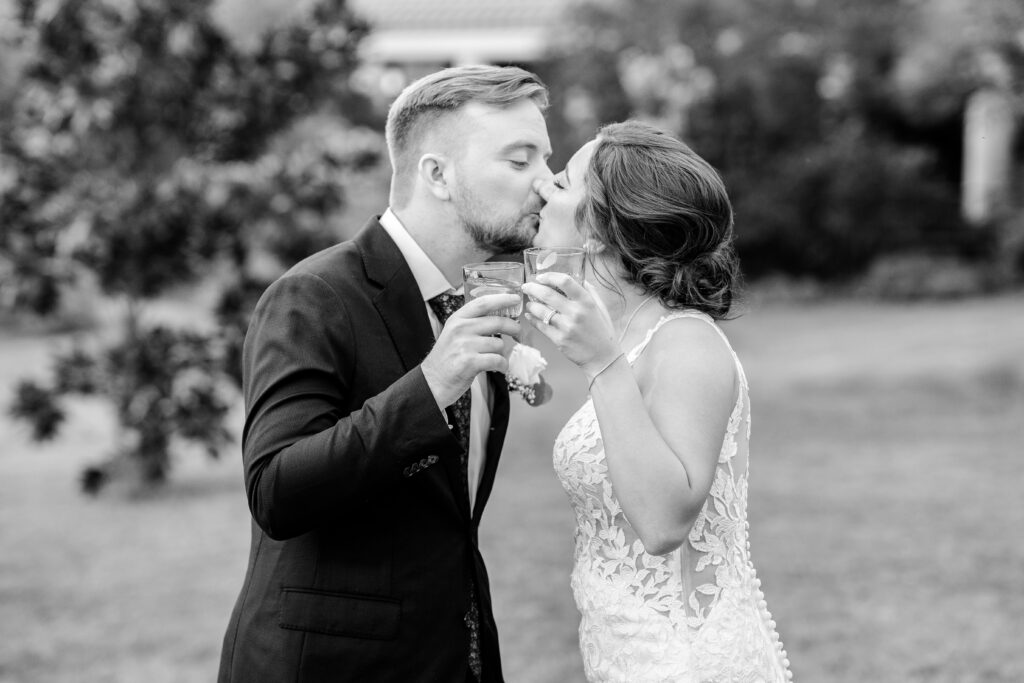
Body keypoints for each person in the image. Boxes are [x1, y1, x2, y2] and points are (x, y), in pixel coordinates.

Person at [218, 65, 553, 683]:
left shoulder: (478, 303)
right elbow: (276, 491)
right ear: (437, 175)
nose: (547, 183)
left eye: (546, 159)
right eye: (519, 160)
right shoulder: (313, 295)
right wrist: (432, 386)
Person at [522, 120, 792, 682]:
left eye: (564, 182)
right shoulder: (632, 340)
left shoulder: (688, 344)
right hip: (624, 656)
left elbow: (663, 523)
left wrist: (600, 365)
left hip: (685, 662)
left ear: (596, 228)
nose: (544, 187)